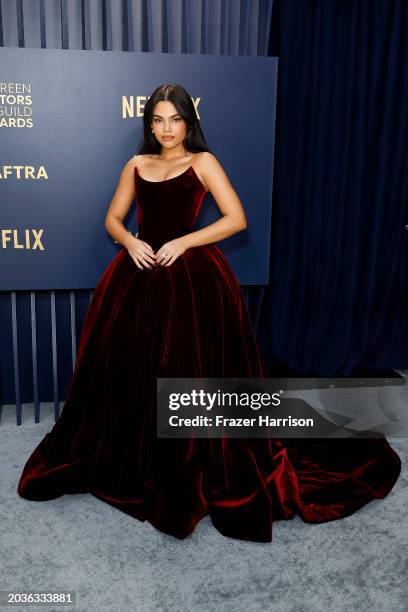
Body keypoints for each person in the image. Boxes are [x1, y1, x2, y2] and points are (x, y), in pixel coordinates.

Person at [17, 83, 401, 542]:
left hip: (192, 280)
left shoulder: (202, 162)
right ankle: (136, 457)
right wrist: (130, 240)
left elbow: (236, 218)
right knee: (131, 371)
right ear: (149, 124)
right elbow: (112, 219)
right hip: (137, 276)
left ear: (188, 122)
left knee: (188, 370)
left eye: (174, 120)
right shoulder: (136, 165)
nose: (166, 129)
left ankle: (185, 461)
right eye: (157, 120)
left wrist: (183, 240)